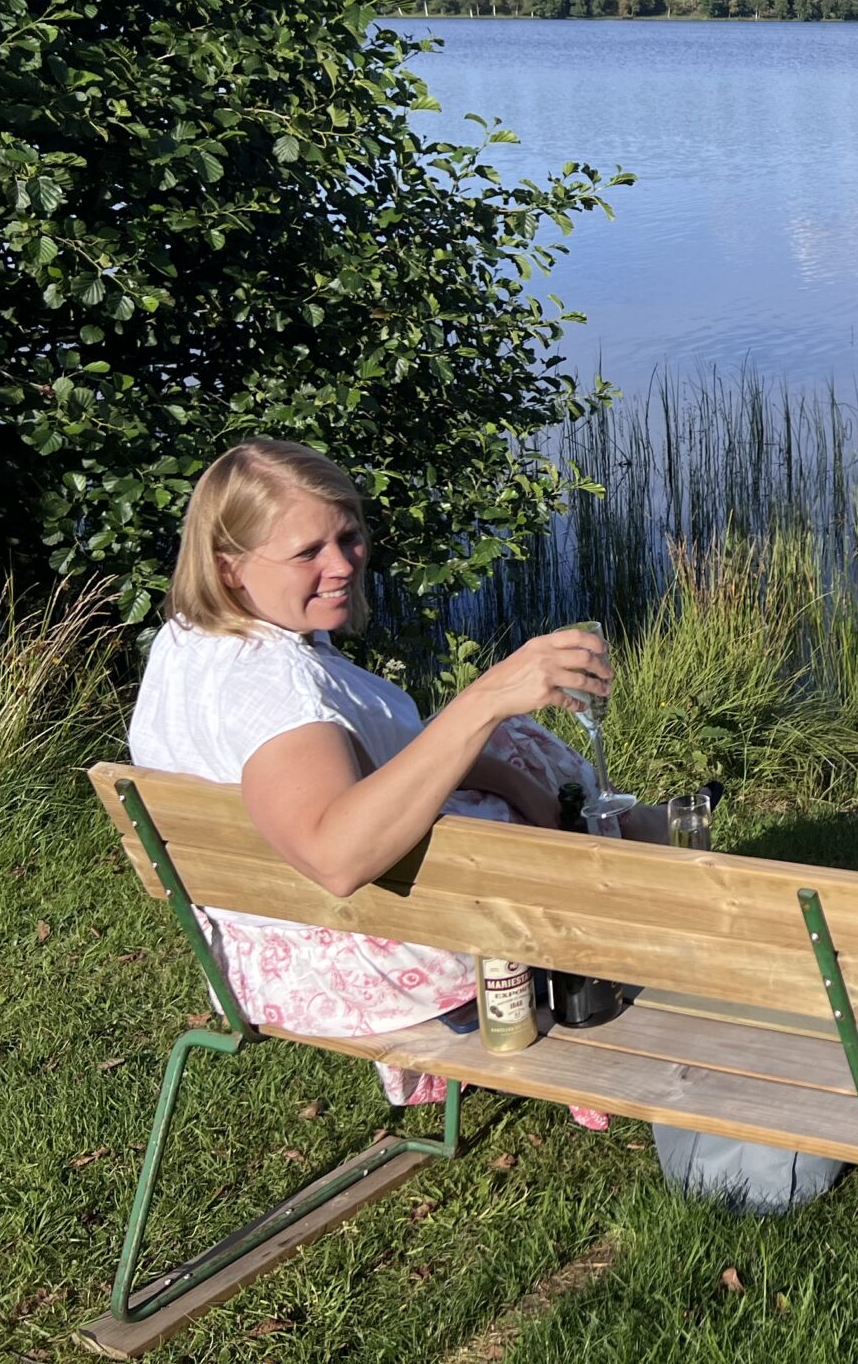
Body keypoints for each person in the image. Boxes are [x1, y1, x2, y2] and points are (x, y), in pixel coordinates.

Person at [129, 436, 617, 1121]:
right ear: (229, 567)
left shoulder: (194, 639)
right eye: (307, 552)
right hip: (362, 962)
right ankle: (619, 914)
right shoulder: (275, 689)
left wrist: (511, 776)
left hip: (254, 951)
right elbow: (336, 856)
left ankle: (627, 844)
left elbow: (360, 768)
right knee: (504, 736)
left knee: (502, 743)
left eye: (349, 537)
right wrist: (485, 697)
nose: (341, 565)